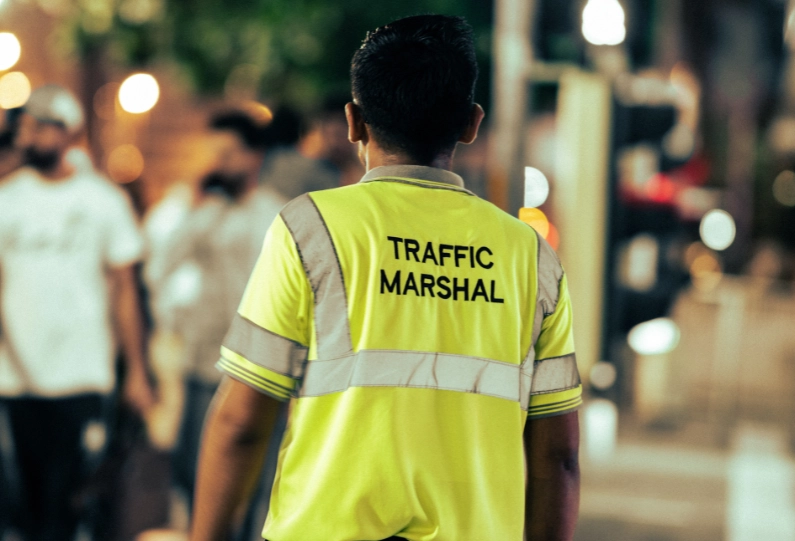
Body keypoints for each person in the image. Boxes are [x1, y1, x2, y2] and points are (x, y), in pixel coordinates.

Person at [192, 15, 581, 541]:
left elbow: (240, 424)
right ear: (471, 123)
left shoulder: (309, 229)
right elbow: (557, 456)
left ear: (354, 121)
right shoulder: (531, 257)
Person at [0, 85, 154, 541]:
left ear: (68, 132)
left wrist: (137, 373)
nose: (27, 135)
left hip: (82, 371)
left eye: (38, 126)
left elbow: (126, 292)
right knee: (24, 503)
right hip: (15, 376)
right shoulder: (7, 198)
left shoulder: (103, 201)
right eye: (24, 126)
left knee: (68, 501)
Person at [143, 109, 285, 510]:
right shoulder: (205, 214)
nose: (220, 164)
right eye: (215, 154)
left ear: (255, 156)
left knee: (257, 484)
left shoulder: (277, 215)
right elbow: (161, 267)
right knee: (195, 477)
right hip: (204, 365)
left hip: (261, 371)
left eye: (230, 154)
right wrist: (195, 206)